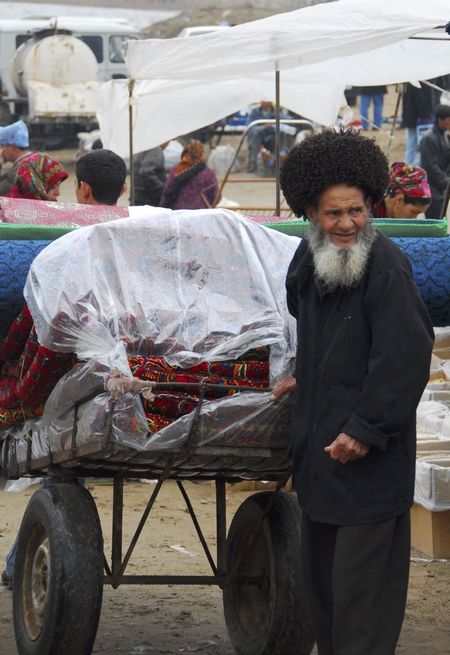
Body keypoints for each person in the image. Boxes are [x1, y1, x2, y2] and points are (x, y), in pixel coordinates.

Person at [273, 128, 434, 655]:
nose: (346, 224)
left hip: (367, 463)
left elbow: (405, 358)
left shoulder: (387, 268)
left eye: (356, 212)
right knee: (323, 597)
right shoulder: (305, 260)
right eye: (333, 213)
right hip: (319, 460)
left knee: (361, 603)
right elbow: (312, 330)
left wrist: (365, 428)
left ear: (372, 207)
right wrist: (305, 373)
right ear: (311, 214)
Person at [1, 148, 127, 591]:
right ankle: (19, 562)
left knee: (59, 459)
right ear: (124, 189)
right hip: (104, 372)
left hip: (65, 379)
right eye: (51, 187)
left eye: (64, 187)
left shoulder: (51, 237)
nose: (57, 195)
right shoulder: (133, 231)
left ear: (83, 189)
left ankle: (20, 562)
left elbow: (31, 322)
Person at [160, 139, 220, 210]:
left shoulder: (176, 170)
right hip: (201, 214)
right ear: (201, 153)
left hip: (179, 213)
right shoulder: (208, 174)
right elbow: (216, 197)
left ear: (185, 151)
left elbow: (167, 190)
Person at [419, 103, 450, 218]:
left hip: (441, 189)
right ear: (440, 120)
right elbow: (430, 166)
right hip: (432, 189)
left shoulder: (444, 136)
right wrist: (446, 182)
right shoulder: (428, 139)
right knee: (436, 223)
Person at [245, 100, 289, 173]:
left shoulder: (276, 112)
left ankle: (278, 161)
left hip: (272, 136)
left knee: (281, 133)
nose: (264, 102)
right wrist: (263, 127)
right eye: (263, 100)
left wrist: (275, 124)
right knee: (255, 134)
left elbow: (288, 120)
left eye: (267, 100)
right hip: (259, 137)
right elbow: (250, 127)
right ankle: (255, 162)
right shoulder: (254, 112)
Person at [401, 82, 434, 165]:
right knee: (422, 144)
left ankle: (408, 164)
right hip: (421, 118)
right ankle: (417, 165)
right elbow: (421, 98)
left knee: (411, 143)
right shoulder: (422, 80)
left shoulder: (409, 80)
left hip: (411, 115)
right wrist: (425, 115)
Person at [0, 120, 32, 195]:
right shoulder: (32, 162)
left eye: (3, 146)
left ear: (12, 147)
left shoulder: (17, 172)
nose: (2, 150)